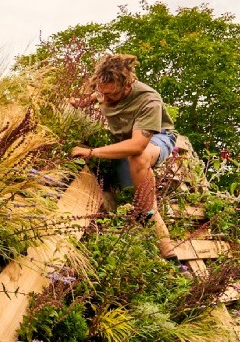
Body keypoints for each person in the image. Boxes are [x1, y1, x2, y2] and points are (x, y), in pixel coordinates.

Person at [70, 54, 177, 258]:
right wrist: (79, 103)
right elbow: (94, 97)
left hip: (158, 137)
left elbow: (137, 145)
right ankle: (166, 254)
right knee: (135, 193)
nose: (105, 99)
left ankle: (148, 222)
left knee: (139, 159)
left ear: (127, 84)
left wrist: (92, 152)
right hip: (125, 142)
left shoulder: (148, 100)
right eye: (102, 93)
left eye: (111, 96)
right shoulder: (105, 89)